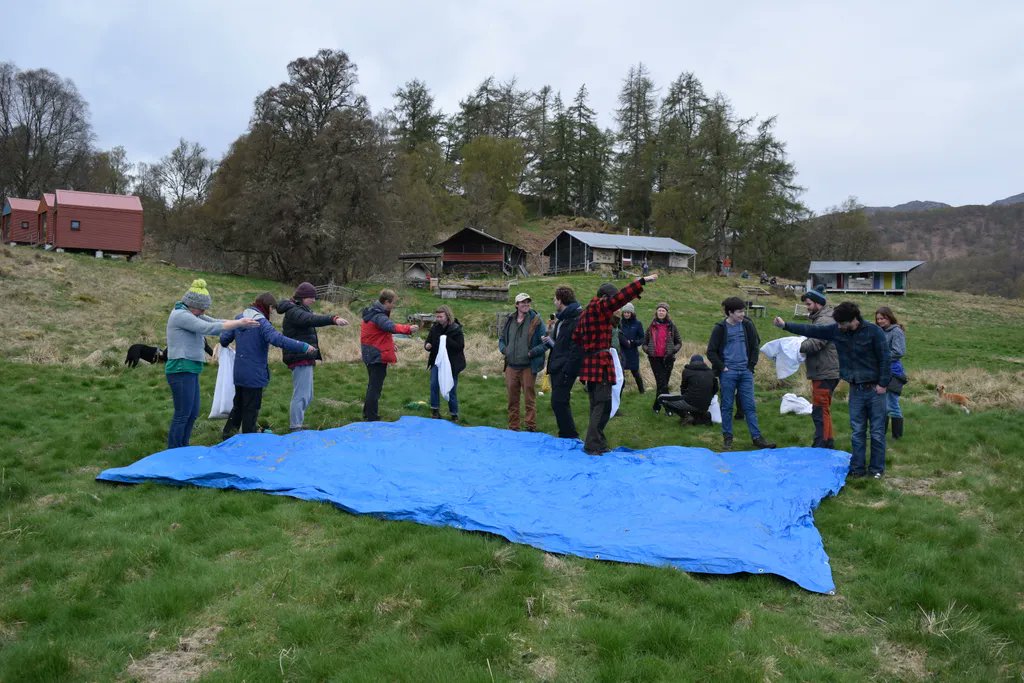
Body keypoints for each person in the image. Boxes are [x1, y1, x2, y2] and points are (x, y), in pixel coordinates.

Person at [774, 302, 891, 479]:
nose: (838, 326)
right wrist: (785, 326)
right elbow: (811, 330)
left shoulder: (874, 332)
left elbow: (885, 358)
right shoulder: (837, 330)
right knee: (858, 430)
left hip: (875, 389)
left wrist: (883, 383)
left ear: (852, 320)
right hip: (856, 388)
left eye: (841, 323)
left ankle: (876, 469)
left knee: (876, 431)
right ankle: (857, 468)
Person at [165, 279, 258, 449]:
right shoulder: (180, 315)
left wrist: (239, 321)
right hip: (180, 369)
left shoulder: (193, 313)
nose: (203, 311)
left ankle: (183, 448)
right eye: (201, 308)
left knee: (192, 413)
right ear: (192, 304)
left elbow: (214, 321)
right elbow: (207, 328)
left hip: (191, 369)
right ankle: (174, 451)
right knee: (182, 414)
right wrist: (239, 324)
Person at [572, 274, 659, 455]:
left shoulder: (587, 312)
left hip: (590, 362)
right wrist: (642, 281)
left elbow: (576, 338)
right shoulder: (599, 306)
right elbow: (622, 298)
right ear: (605, 297)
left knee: (596, 404)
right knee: (603, 405)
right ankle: (593, 444)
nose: (615, 306)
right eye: (611, 300)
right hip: (600, 363)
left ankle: (597, 442)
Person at [220, 293, 313, 438]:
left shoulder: (239, 319)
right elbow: (277, 339)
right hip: (255, 373)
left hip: (239, 371)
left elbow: (224, 339)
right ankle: (248, 439)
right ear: (267, 307)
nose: (272, 312)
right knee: (251, 408)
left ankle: (227, 434)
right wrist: (303, 346)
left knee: (238, 404)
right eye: (272, 309)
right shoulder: (261, 323)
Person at [277, 281, 349, 432]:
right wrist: (333, 319)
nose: (314, 300)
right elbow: (311, 320)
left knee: (307, 395)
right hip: (299, 357)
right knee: (301, 394)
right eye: (311, 297)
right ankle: (295, 426)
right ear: (303, 297)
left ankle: (298, 423)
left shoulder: (300, 309)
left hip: (304, 356)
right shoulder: (294, 311)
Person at [706, 297, 776, 451]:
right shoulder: (720, 328)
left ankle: (757, 438)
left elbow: (755, 345)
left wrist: (750, 366)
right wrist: (722, 367)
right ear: (730, 312)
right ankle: (728, 439)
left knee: (749, 407)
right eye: (739, 312)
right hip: (728, 373)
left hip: (745, 372)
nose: (742, 314)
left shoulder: (747, 325)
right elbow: (711, 351)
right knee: (727, 407)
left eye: (743, 311)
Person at [361, 289, 418, 421]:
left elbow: (376, 335)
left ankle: (368, 413)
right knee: (375, 387)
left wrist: (390, 345)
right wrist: (409, 329)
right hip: (376, 356)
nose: (394, 305)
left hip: (370, 353)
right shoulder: (379, 316)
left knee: (372, 385)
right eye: (393, 303)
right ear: (386, 302)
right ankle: (371, 416)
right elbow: (391, 327)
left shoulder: (372, 313)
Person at [498, 293, 547, 431]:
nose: (526, 304)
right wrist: (504, 350)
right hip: (511, 366)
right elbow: (501, 339)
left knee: (529, 399)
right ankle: (513, 426)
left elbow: (545, 343)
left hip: (528, 367)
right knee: (512, 399)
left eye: (527, 302)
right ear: (516, 305)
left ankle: (530, 426)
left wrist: (532, 352)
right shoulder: (510, 320)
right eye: (522, 302)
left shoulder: (536, 321)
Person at [800, 286, 840, 448]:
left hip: (824, 372)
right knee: (822, 408)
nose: (807, 307)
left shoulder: (825, 320)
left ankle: (823, 444)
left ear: (818, 303)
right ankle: (825, 441)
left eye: (809, 304)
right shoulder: (822, 319)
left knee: (820, 410)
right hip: (824, 370)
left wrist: (796, 345)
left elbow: (816, 342)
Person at [544, 286, 583, 439]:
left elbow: (576, 349)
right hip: (557, 365)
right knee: (559, 402)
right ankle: (566, 433)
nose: (554, 301)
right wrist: (550, 341)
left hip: (564, 368)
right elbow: (561, 344)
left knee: (558, 401)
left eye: (555, 299)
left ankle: (569, 434)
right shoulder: (563, 319)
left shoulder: (575, 319)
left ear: (560, 300)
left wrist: (568, 370)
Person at [424, 304, 465, 421]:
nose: (438, 319)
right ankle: (435, 411)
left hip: (452, 364)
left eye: (441, 316)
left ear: (447, 316)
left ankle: (454, 413)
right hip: (437, 362)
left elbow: (460, 346)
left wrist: (446, 340)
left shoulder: (456, 329)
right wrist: (427, 346)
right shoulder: (435, 328)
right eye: (437, 317)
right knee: (434, 385)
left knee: (451, 388)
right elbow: (428, 341)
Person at [875, 306, 907, 440]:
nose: (880, 321)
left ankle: (897, 437)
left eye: (882, 318)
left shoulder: (896, 331)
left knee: (892, 404)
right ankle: (881, 434)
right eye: (878, 319)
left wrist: (881, 357)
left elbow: (899, 352)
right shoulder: (880, 331)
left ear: (889, 317)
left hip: (893, 371)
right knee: (882, 404)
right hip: (881, 370)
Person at [644, 302, 682, 413]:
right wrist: (648, 351)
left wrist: (673, 350)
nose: (661, 312)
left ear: (666, 313)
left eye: (663, 310)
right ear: (656, 312)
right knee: (662, 383)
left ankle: (656, 406)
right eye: (659, 310)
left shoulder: (672, 326)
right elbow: (644, 343)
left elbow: (679, 342)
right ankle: (670, 408)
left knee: (662, 384)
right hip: (655, 359)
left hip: (668, 359)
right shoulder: (651, 326)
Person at [674, 354, 718, 424]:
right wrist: (709, 397)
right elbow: (715, 389)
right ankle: (704, 415)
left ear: (691, 362)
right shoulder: (711, 372)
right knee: (697, 413)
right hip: (706, 403)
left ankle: (686, 416)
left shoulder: (686, 371)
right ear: (703, 362)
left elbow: (683, 388)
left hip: (691, 401)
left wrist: (684, 398)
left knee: (666, 401)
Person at [617, 302, 645, 394]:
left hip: (632, 352)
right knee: (621, 373)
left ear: (632, 313)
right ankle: (620, 392)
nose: (626, 314)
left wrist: (633, 342)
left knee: (636, 373)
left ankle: (642, 391)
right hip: (621, 352)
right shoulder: (619, 323)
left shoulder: (637, 324)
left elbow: (642, 338)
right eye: (625, 312)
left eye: (628, 313)